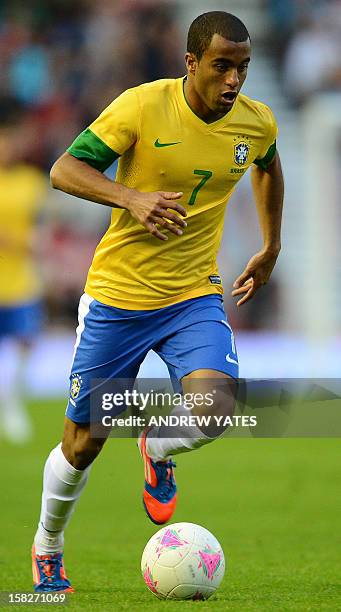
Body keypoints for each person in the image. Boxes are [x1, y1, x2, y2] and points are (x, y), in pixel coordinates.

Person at [31, 11, 284, 593]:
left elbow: (269, 168)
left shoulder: (256, 121)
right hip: (118, 296)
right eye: (221, 67)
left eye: (242, 68)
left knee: (216, 411)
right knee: (83, 442)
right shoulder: (142, 106)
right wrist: (132, 198)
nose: (233, 82)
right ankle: (48, 543)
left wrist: (270, 246)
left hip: (193, 293)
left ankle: (155, 445)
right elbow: (64, 168)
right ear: (191, 62)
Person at [0, 101, 47, 444]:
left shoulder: (32, 181)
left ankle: (10, 403)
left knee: (27, 342)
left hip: (21, 279)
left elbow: (43, 227)